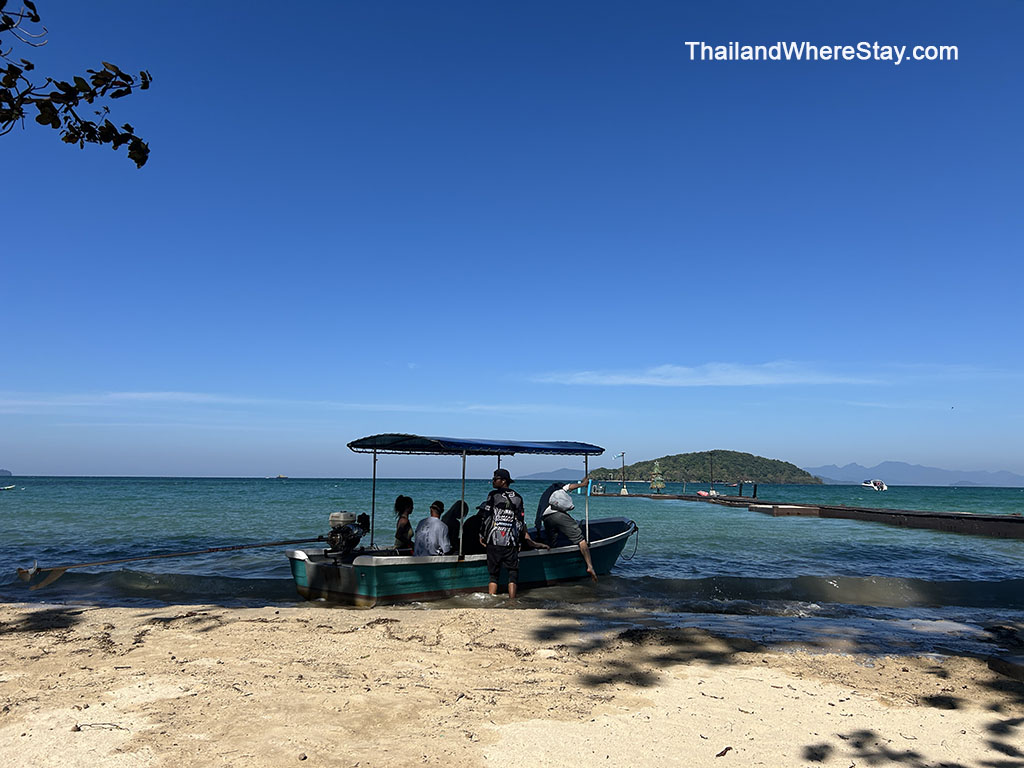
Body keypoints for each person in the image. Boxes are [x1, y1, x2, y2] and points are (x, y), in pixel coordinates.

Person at [478, 468, 547, 598]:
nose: (493, 481)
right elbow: (520, 522)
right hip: (511, 542)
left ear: (503, 481)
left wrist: (482, 535)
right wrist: (519, 540)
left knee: (494, 575)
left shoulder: (493, 495)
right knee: (513, 574)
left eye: (495, 479)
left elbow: (486, 517)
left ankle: (492, 598)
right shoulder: (518, 498)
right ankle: (512, 600)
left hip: (494, 540)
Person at [537, 478, 598, 582]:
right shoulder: (559, 487)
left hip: (546, 518)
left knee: (552, 543)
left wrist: (538, 529)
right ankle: (590, 566)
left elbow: (538, 515)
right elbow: (570, 486)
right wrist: (583, 484)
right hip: (558, 515)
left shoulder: (545, 495)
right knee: (581, 540)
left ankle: (553, 571)